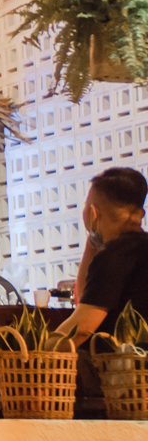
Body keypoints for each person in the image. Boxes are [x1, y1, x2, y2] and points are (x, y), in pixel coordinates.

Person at [49, 166, 148, 417]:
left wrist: (33, 350)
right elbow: (84, 298)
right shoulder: (134, 249)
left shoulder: (115, 256)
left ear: (92, 213)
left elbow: (82, 328)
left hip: (125, 375)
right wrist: (94, 241)